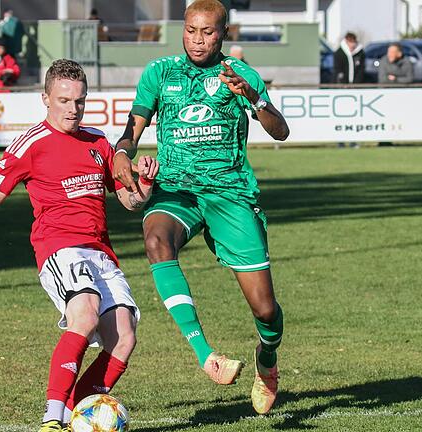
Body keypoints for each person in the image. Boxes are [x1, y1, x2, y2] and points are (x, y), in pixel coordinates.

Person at [0, 59, 159, 432]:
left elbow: (129, 201)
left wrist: (145, 185)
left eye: (79, 101)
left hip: (102, 253)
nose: (72, 109)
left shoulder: (98, 143)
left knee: (123, 338)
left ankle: (81, 413)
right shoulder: (32, 143)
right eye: (63, 100)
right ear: (45, 98)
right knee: (85, 314)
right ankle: (52, 419)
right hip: (60, 248)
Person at [112, 0, 289, 415]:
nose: (197, 39)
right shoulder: (160, 73)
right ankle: (206, 354)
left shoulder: (240, 75)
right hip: (177, 188)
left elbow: (281, 131)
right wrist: (122, 153)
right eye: (191, 30)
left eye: (208, 32)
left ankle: (267, 359)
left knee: (265, 308)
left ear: (224, 33)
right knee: (156, 239)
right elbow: (131, 132)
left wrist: (253, 100)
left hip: (230, 194)